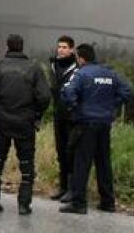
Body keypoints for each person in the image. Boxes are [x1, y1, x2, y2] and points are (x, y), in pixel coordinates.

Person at [0, 34, 51, 216]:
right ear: (22, 47)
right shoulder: (34, 68)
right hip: (25, 122)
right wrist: (36, 113)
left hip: (1, 121)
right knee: (26, 165)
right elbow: (45, 96)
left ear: (7, 46)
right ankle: (24, 205)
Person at [59, 43, 132, 215]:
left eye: (77, 58)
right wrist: (112, 107)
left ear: (81, 58)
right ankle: (108, 201)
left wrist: (76, 108)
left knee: (82, 162)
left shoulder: (81, 74)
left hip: (86, 123)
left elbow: (68, 93)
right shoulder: (110, 73)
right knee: (103, 162)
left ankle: (78, 203)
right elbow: (127, 91)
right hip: (104, 124)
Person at [49, 35, 78, 201]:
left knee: (71, 152)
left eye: (64, 47)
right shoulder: (53, 65)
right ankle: (63, 187)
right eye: (59, 47)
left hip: (71, 117)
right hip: (58, 115)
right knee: (61, 152)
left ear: (72, 49)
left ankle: (72, 190)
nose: (61, 50)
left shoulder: (77, 68)